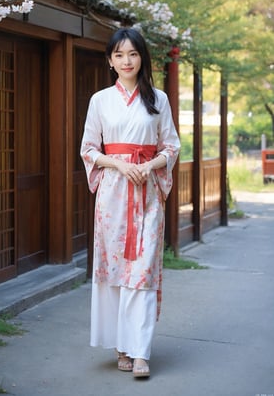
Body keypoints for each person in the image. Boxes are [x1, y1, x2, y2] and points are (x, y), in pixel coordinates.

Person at [80, 27, 180, 378]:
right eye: (119, 54)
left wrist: (149, 165)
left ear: (142, 58)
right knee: (116, 271)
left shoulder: (159, 100)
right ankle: (120, 345)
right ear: (110, 60)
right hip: (112, 196)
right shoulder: (100, 101)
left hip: (148, 195)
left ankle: (140, 353)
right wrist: (121, 164)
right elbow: (89, 149)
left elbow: (172, 146)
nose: (126, 61)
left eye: (133, 54)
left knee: (143, 270)